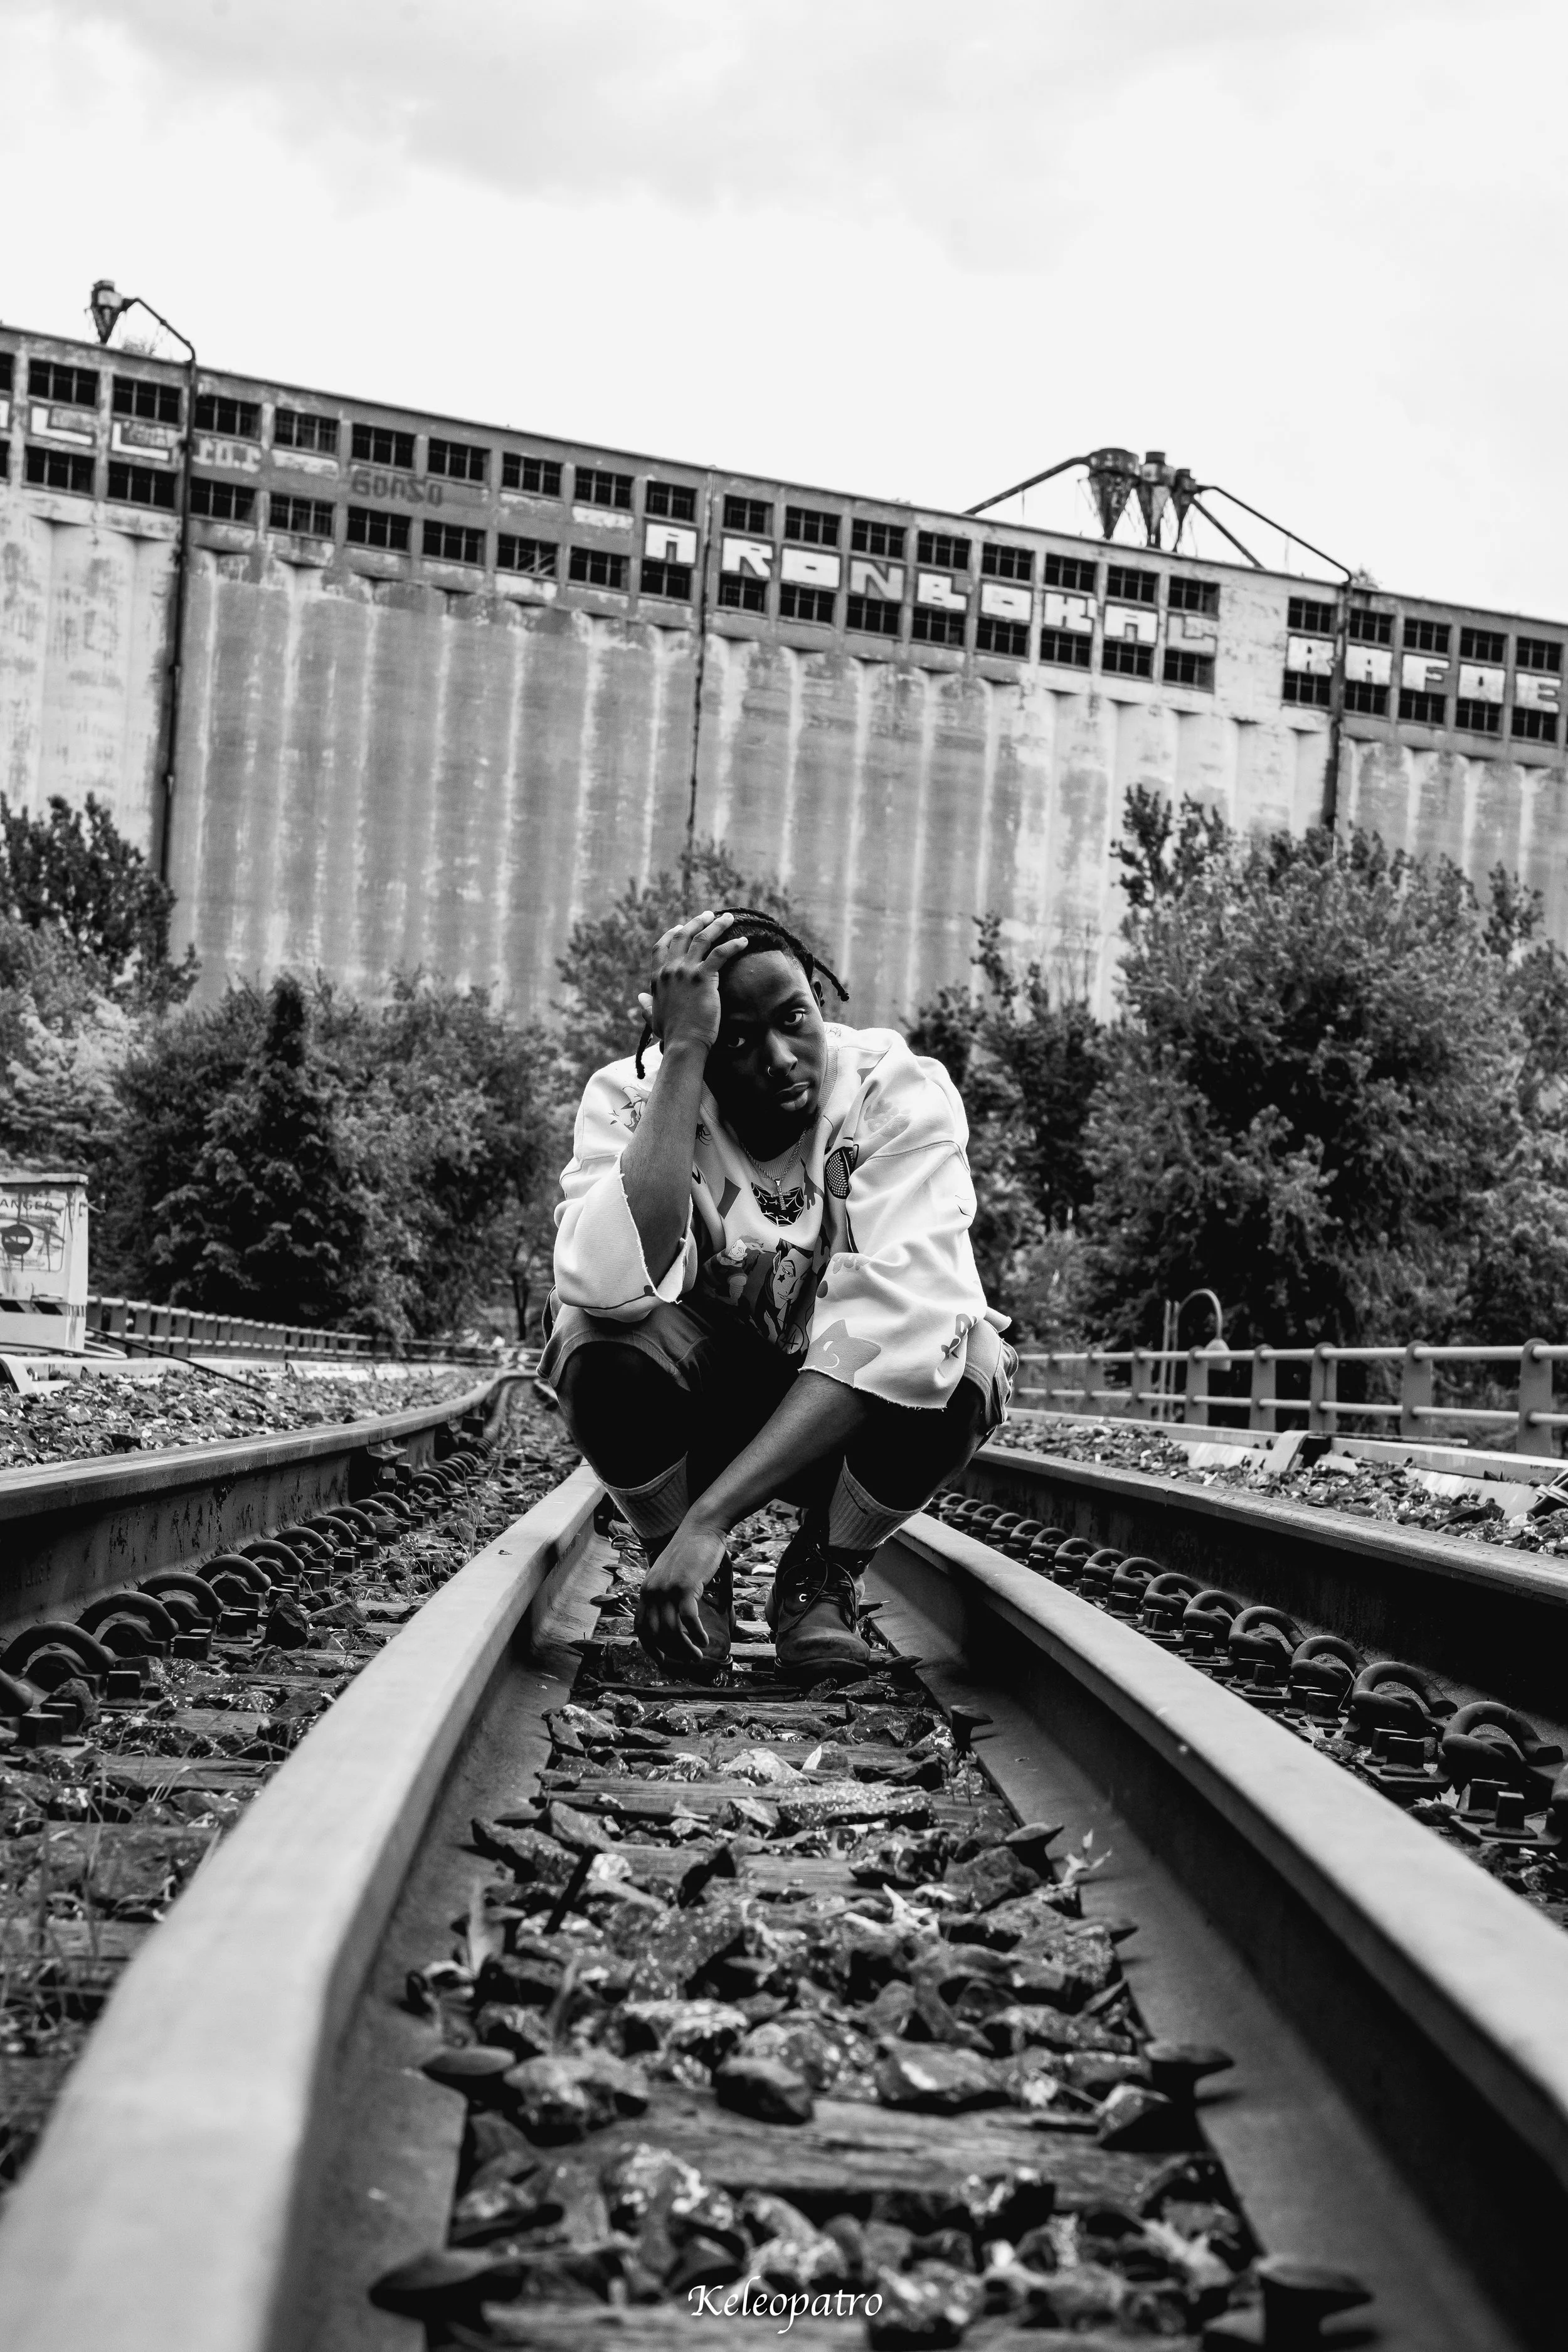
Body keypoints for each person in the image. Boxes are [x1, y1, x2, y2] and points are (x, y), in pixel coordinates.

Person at [539, 906, 1015, 1679]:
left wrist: (712, 1520)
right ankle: (685, 1578)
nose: (779, 1058)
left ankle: (823, 1574)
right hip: (703, 1404)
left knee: (967, 1358)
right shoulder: (632, 1098)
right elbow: (602, 1284)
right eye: (734, 1040)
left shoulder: (890, 1090)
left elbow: (910, 1320)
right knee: (594, 1342)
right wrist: (682, 1058)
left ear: (820, 1002)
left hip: (838, 1420)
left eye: (794, 1019)